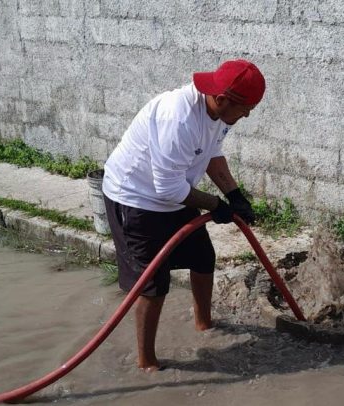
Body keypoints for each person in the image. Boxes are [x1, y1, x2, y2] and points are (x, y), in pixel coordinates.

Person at [101, 59, 264, 371]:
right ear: (223, 98)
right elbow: (168, 189)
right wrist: (215, 205)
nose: (246, 115)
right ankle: (146, 362)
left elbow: (212, 152)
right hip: (136, 198)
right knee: (153, 285)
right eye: (245, 109)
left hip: (172, 192)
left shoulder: (217, 112)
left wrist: (233, 194)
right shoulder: (178, 119)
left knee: (203, 257)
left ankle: (205, 325)